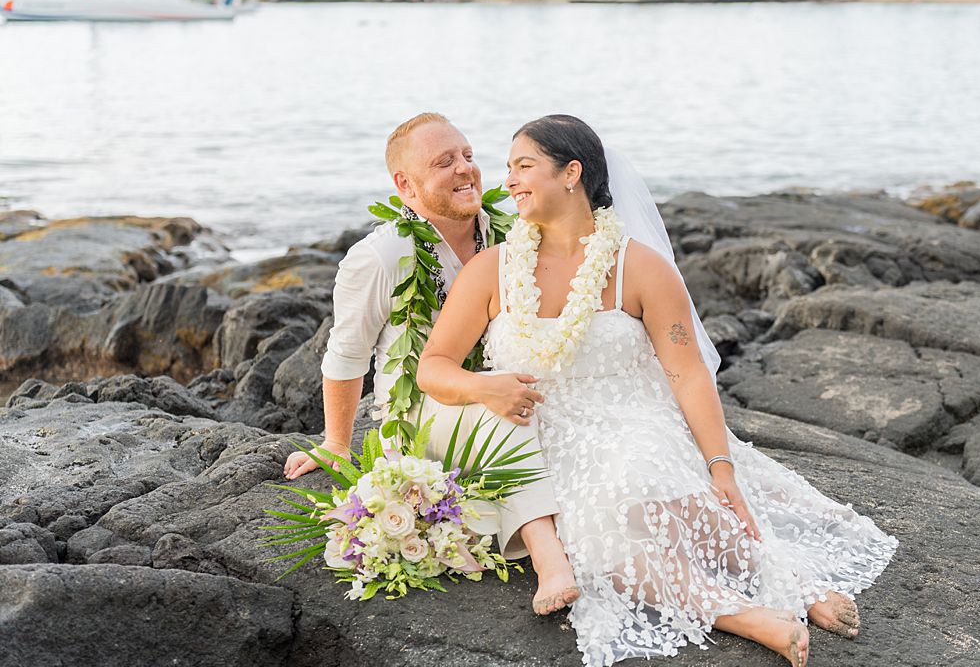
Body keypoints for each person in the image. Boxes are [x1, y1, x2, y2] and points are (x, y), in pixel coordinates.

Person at [417, 114, 899, 667]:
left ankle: (789, 579)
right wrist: (484, 388)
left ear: (571, 173)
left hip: (633, 416)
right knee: (602, 530)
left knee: (654, 477)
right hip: (539, 433)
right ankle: (744, 616)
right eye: (508, 169)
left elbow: (687, 372)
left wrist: (720, 464)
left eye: (523, 167)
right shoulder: (491, 270)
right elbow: (433, 367)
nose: (508, 182)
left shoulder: (639, 268)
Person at [282, 112, 580, 615]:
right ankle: (549, 558)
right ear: (406, 185)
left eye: (467, 156)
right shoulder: (380, 256)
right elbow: (347, 354)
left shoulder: (512, 233)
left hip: (509, 379)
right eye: (444, 163)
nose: (465, 170)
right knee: (505, 410)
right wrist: (336, 444)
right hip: (419, 412)